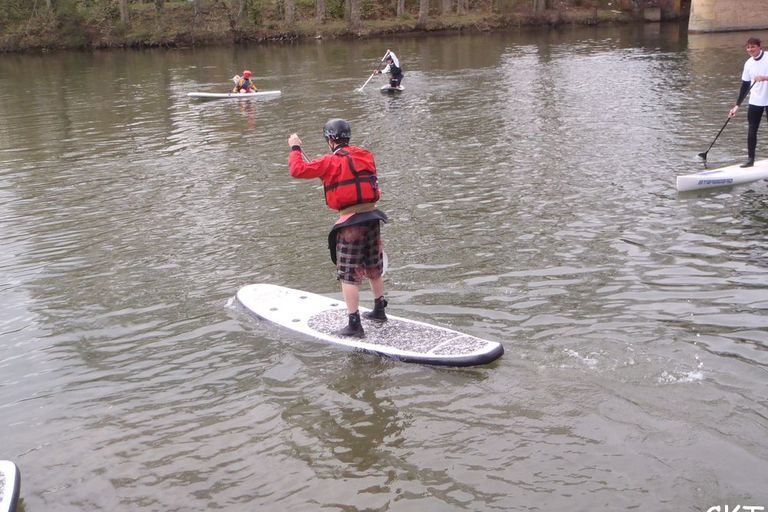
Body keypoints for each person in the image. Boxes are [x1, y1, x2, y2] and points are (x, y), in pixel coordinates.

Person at [287, 119, 389, 338]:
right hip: (373, 217)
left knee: (348, 272)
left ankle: (354, 324)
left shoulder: (328, 162)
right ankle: (379, 309)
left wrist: (295, 147)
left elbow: (297, 170)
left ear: (331, 140)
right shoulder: (365, 155)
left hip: (351, 222)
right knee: (373, 264)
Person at [728, 37, 768, 168]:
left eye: (753, 47)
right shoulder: (748, 64)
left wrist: (765, 78)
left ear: (760, 46)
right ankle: (750, 159)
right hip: (755, 100)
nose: (750, 50)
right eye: (748, 47)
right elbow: (745, 86)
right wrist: (736, 106)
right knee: (752, 129)